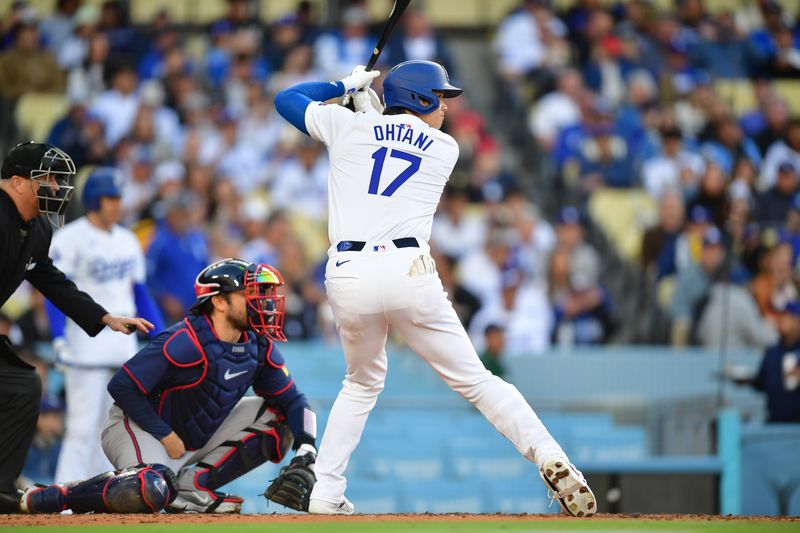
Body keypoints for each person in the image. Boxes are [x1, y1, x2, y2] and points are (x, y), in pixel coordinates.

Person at [274, 60, 596, 517]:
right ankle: (551, 456)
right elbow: (389, 136)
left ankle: (326, 491)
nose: (445, 106)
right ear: (420, 99)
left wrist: (345, 86)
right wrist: (368, 103)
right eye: (440, 97)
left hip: (348, 272)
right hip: (409, 269)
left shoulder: (347, 127)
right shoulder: (444, 148)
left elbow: (287, 100)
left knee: (361, 382)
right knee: (478, 381)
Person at [20, 259, 318, 514]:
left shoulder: (257, 344)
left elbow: (294, 401)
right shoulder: (185, 340)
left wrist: (307, 447)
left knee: (280, 420)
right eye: (249, 293)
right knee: (148, 489)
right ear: (218, 300)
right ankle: (61, 495)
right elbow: (122, 386)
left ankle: (192, 489)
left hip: (190, 438)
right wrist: (165, 435)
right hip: (138, 427)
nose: (261, 301)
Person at [0, 142, 152, 513]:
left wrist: (103, 317)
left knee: (23, 385)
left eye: (56, 178)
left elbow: (50, 280)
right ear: (18, 182)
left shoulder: (35, 228)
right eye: (46, 178)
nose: (55, 186)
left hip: (107, 350)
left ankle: (1, 489)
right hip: (84, 359)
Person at [45, 167, 165, 483]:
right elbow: (54, 292)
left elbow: (140, 292)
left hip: (122, 350)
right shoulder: (69, 238)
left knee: (110, 431)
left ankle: (98, 496)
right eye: (110, 198)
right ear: (94, 200)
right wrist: (58, 337)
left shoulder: (127, 239)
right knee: (81, 428)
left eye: (118, 198)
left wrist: (160, 334)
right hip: (85, 348)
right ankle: (63, 496)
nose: (117, 204)